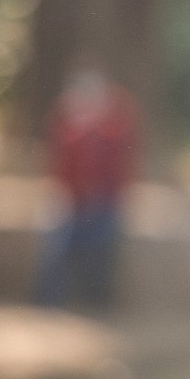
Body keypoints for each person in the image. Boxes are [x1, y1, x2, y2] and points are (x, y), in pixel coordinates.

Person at [32, 65, 139, 310]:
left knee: (103, 241)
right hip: (72, 201)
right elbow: (60, 168)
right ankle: (47, 301)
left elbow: (119, 171)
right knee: (57, 240)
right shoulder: (69, 124)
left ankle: (97, 301)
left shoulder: (114, 127)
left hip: (103, 203)